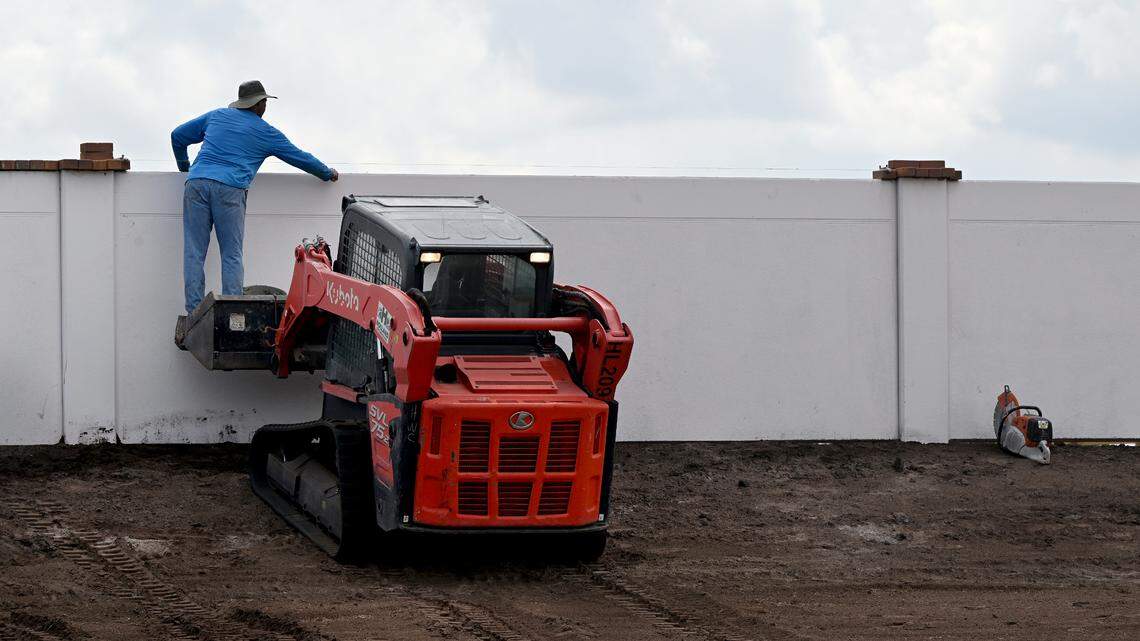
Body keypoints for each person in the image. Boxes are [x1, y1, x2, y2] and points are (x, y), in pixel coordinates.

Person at [171, 80, 338, 325]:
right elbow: (300, 158)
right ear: (260, 105)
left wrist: (185, 169)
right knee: (231, 253)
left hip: (196, 185)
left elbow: (177, 136)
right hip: (230, 190)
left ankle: (193, 312)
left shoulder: (217, 116)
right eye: (265, 102)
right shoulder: (266, 132)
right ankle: (231, 314)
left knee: (194, 252)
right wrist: (327, 173)